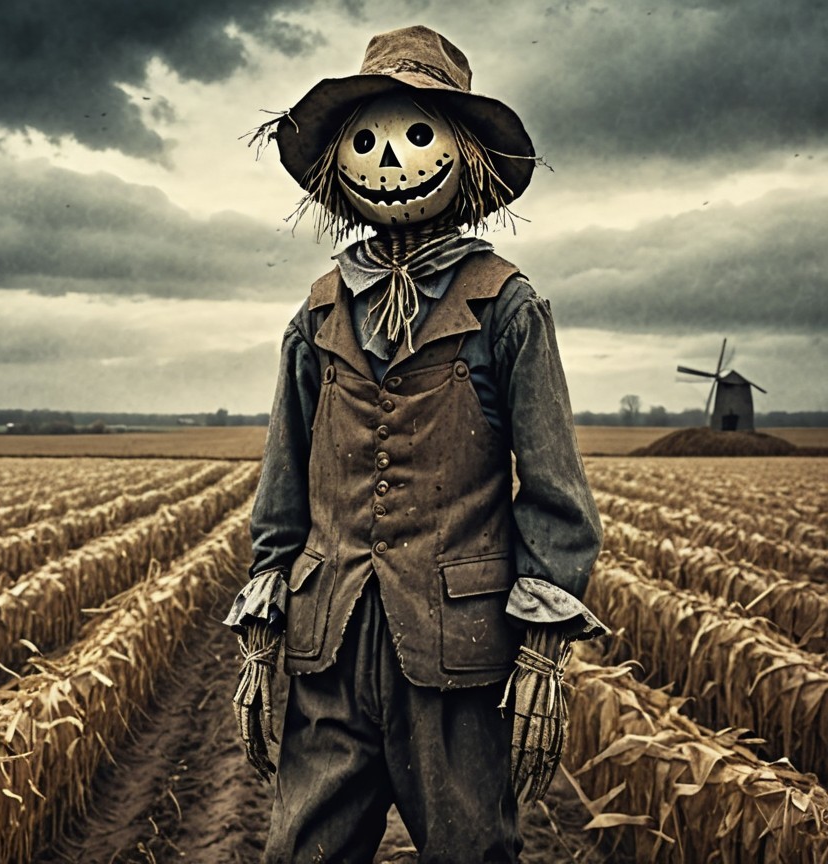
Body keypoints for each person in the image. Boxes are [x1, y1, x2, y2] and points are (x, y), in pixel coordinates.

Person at [225, 25, 607, 864]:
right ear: (339, 166)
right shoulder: (318, 313)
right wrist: (263, 622)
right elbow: (283, 487)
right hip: (329, 650)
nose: (391, 161)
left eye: (416, 136)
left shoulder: (506, 305)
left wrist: (542, 646)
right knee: (302, 850)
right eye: (368, 142)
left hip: (457, 655)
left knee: (472, 848)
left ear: (463, 156)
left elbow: (555, 493)